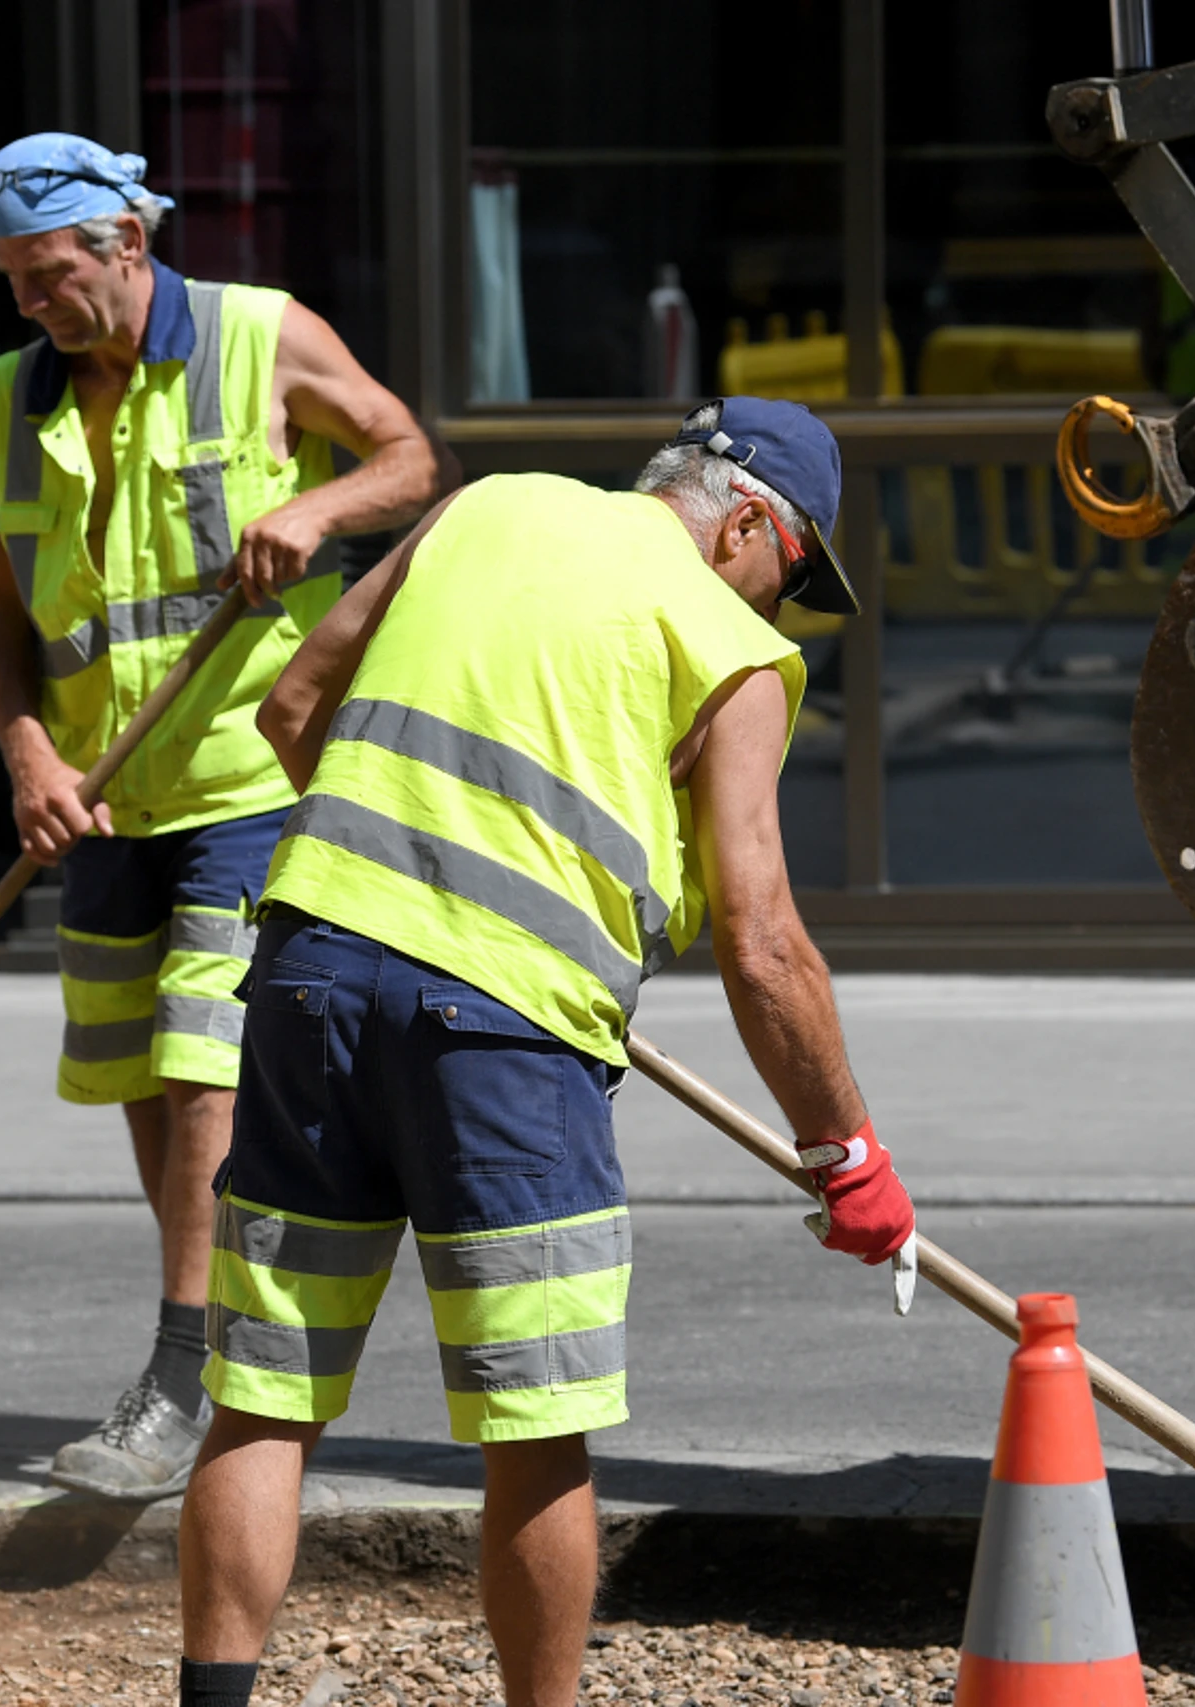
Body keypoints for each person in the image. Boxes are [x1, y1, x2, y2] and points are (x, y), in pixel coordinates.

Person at [172, 398, 916, 1707]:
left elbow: (296, 705)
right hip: (505, 1038)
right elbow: (765, 937)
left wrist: (400, 882)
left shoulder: (481, 506)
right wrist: (846, 1150)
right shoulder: (729, 650)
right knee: (536, 1419)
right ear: (746, 519)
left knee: (268, 1391)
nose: (780, 604)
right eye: (791, 571)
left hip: (311, 975)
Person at [0, 133, 449, 1499]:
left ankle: (182, 1373)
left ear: (125, 243)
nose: (29, 307)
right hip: (101, 793)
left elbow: (413, 460)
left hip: (248, 775)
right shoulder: (4, 399)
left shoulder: (259, 337)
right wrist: (25, 760)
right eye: (11, 282)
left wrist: (321, 509)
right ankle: (214, 1326)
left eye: (49, 274)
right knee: (135, 1075)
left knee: (199, 1065)